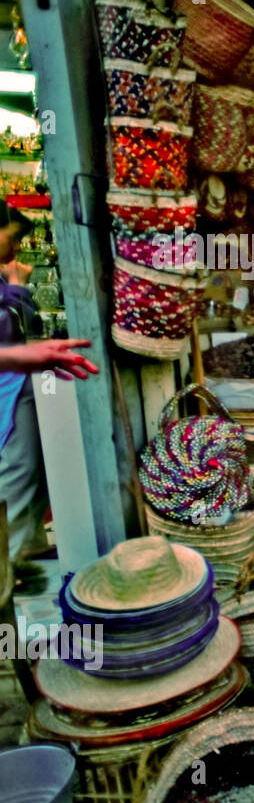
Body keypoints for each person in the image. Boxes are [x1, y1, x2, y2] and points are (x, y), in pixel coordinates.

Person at [0, 208, 98, 564]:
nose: (17, 246)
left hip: (17, 387)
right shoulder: (7, 282)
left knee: (34, 471)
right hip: (7, 391)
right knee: (18, 472)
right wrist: (17, 289)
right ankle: (10, 567)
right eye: (11, 236)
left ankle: (28, 547)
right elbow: (10, 330)